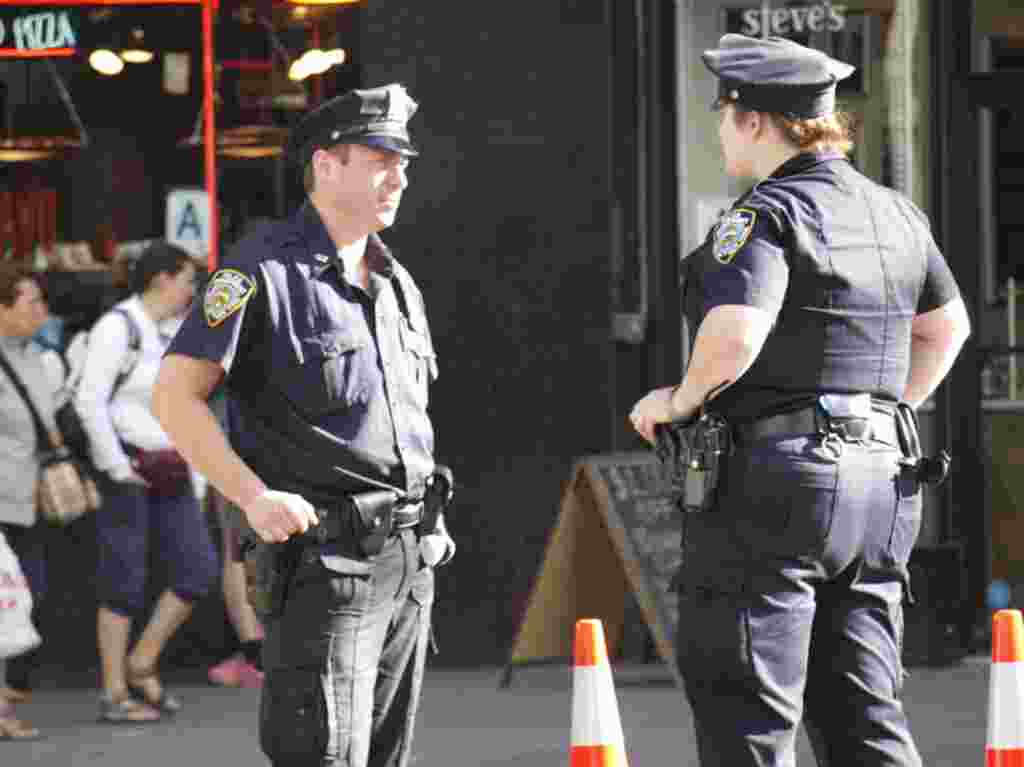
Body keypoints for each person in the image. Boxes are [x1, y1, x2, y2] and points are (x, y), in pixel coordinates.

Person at [629, 34, 971, 767]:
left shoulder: (765, 214)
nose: (721, 129)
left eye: (723, 113)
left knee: (748, 712)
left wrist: (677, 400)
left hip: (778, 487)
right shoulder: (894, 212)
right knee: (864, 716)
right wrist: (876, 411)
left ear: (753, 119)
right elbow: (947, 328)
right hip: (883, 483)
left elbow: (734, 334)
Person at [153, 83, 455, 767]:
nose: (400, 176)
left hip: (408, 558)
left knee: (384, 755)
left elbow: (402, 419)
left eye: (404, 161)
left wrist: (428, 525)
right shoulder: (261, 268)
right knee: (321, 754)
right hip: (328, 560)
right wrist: (251, 495)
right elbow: (174, 395)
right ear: (326, 165)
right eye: (380, 158)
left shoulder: (394, 280)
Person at [76, 241, 218, 723]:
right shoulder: (117, 327)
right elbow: (89, 401)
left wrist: (197, 479)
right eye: (187, 280)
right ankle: (114, 692)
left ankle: (142, 661)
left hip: (176, 468)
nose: (192, 290)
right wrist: (117, 467)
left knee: (197, 570)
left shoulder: (178, 332)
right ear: (162, 280)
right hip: (131, 469)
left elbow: (189, 407)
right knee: (123, 581)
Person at [0, 265, 55, 741]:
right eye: (31, 301)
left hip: (27, 501)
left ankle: (6, 701)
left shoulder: (37, 359)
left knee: (25, 600)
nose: (43, 310)